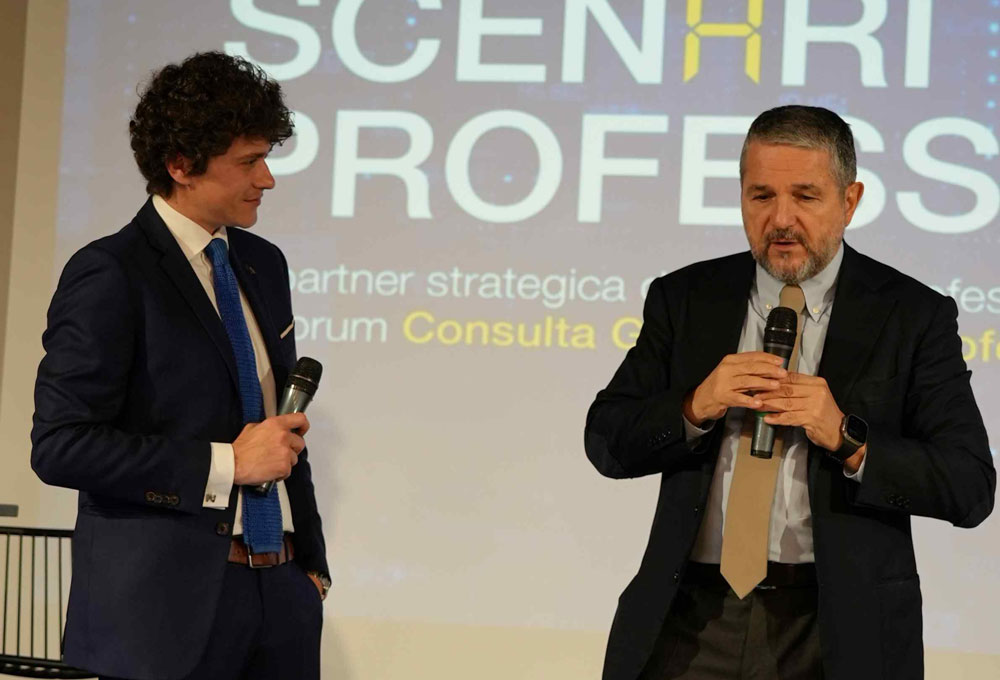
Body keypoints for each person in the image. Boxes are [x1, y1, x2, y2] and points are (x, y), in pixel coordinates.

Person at [584, 105, 995, 680]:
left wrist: (847, 437)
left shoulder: (912, 315)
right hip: (690, 620)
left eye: (805, 196)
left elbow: (970, 487)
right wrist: (695, 406)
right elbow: (607, 441)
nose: (781, 219)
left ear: (849, 201)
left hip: (835, 627)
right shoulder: (685, 297)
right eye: (761, 196)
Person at [31, 52, 329, 680]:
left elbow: (277, 426)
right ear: (181, 165)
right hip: (161, 616)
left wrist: (310, 568)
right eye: (249, 162)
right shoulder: (111, 272)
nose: (268, 179)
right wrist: (227, 464)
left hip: (279, 596)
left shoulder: (263, 263)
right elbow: (61, 446)